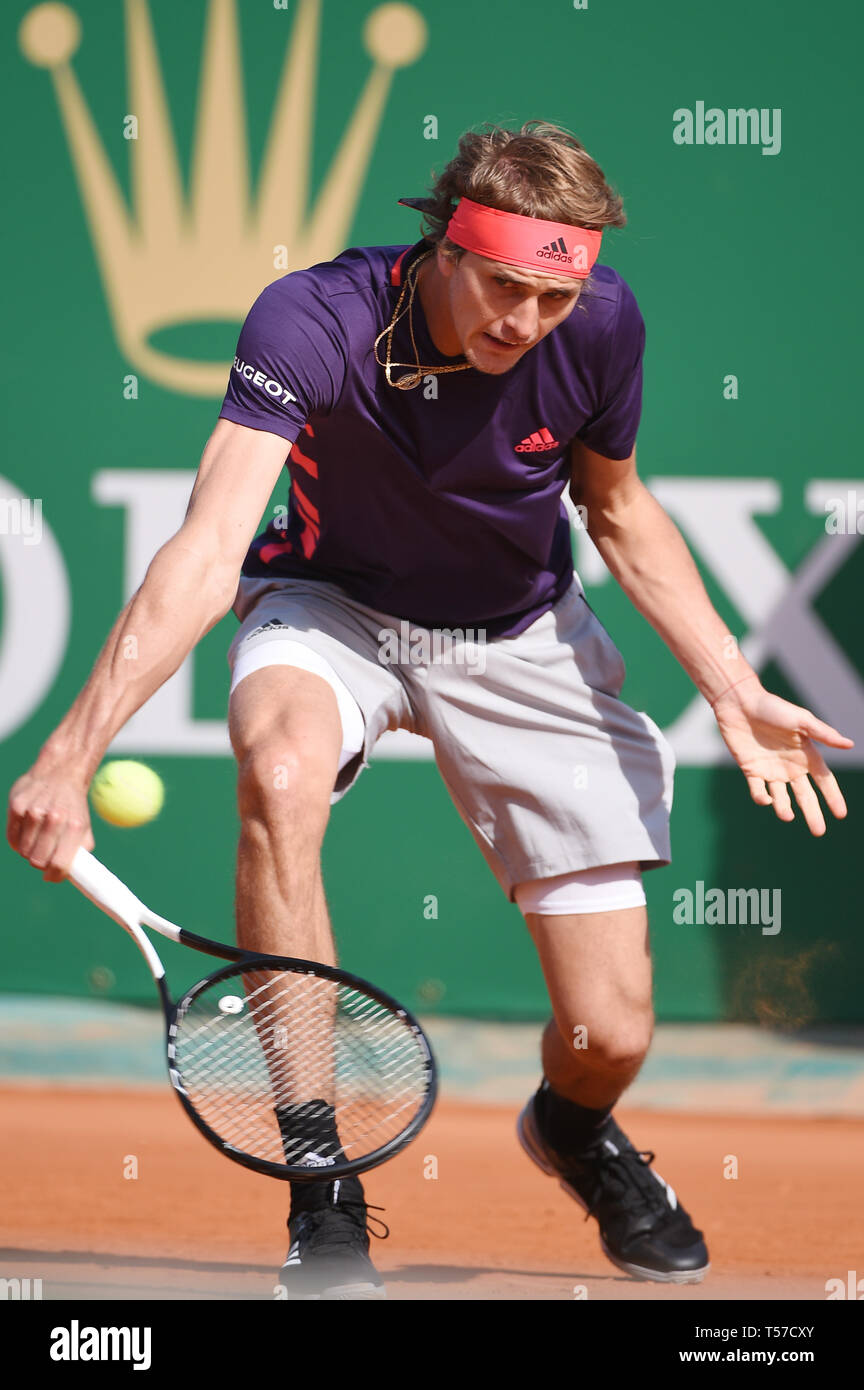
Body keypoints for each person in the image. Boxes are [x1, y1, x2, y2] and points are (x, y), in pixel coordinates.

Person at [7, 121, 852, 1301]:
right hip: (329, 605)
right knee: (281, 777)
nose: (527, 322)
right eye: (505, 286)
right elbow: (206, 551)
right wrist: (68, 752)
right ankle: (322, 1185)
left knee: (612, 1033)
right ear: (444, 246)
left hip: (517, 633)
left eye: (556, 295)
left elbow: (620, 512)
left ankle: (571, 1126)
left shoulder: (602, 325)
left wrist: (732, 682)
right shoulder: (312, 320)